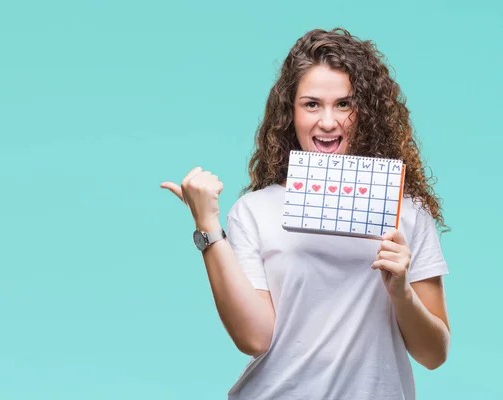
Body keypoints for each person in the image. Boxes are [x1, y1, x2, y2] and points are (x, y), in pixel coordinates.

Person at [160, 27, 450, 400]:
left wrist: (401, 292)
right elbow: (254, 337)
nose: (327, 122)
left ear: (367, 112)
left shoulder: (406, 212)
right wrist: (207, 226)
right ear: (289, 113)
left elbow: (434, 354)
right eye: (311, 104)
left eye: (343, 104)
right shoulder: (255, 210)